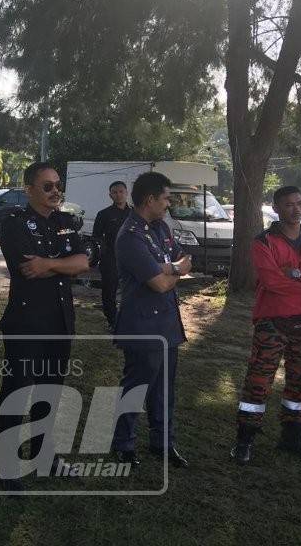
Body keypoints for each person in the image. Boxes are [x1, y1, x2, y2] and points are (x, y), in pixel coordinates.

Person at [231, 186, 301, 465]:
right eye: (289, 205)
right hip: (273, 323)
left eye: (300, 203)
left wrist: (299, 274)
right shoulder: (263, 242)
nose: (296, 209)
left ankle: (292, 437)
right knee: (259, 381)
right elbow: (272, 282)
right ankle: (244, 440)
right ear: (277, 208)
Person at [0, 162, 89, 491]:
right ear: (29, 190)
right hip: (26, 321)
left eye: (58, 185)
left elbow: (82, 263)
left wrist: (50, 263)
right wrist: (63, 266)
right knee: (17, 392)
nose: (56, 191)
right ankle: (7, 465)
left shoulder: (65, 222)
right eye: (47, 186)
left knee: (50, 391)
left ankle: (43, 456)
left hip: (60, 321)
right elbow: (27, 270)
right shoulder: (14, 224)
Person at [111, 171, 192, 469]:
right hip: (142, 325)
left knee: (165, 389)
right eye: (166, 198)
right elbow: (159, 283)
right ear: (150, 199)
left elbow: (184, 260)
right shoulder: (130, 235)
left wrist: (168, 268)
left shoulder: (159, 228)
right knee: (136, 388)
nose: (169, 204)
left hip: (167, 324)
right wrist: (175, 270)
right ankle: (123, 444)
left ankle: (163, 443)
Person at [91, 180, 131, 330]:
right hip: (110, 259)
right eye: (115, 192)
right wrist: (103, 253)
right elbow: (96, 237)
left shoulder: (134, 214)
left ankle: (129, 319)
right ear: (110, 195)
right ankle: (112, 321)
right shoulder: (104, 214)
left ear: (126, 193)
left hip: (131, 259)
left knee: (131, 290)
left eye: (121, 191)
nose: (118, 194)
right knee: (109, 291)